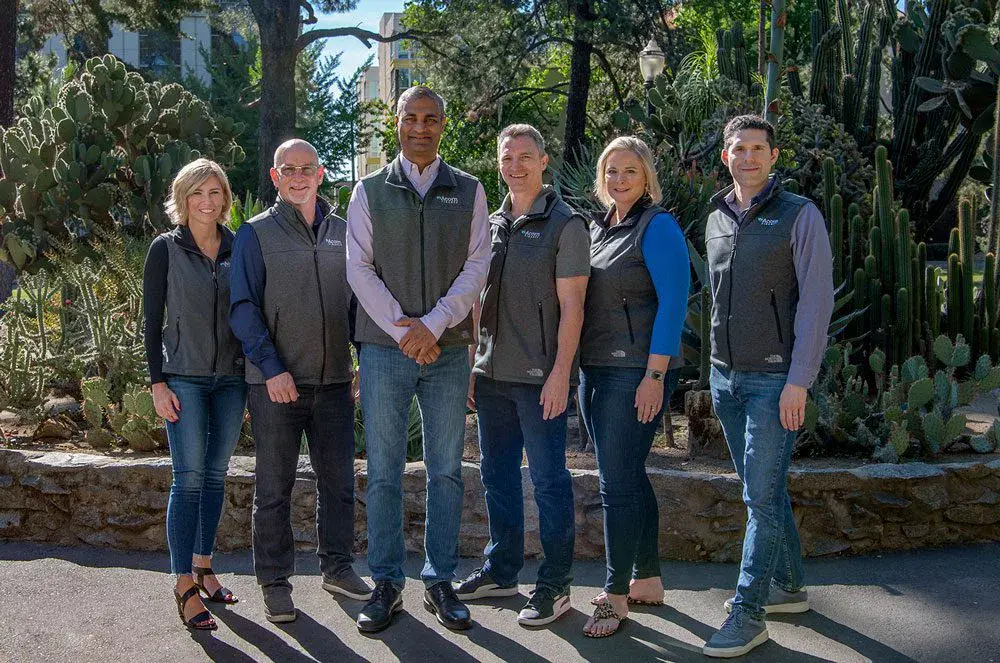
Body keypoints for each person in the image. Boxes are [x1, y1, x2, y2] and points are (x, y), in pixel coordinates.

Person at [346, 85, 490, 634]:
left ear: (443, 125)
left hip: (448, 350)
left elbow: (477, 266)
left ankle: (439, 580)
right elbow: (359, 268)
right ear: (397, 123)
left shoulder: (470, 190)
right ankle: (387, 582)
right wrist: (404, 329)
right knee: (383, 470)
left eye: (431, 119)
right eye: (411, 118)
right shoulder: (368, 191)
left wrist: (434, 325)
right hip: (386, 351)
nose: (421, 127)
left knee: (446, 471)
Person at [701, 115, 833, 657]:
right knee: (766, 487)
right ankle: (790, 587)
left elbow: (817, 303)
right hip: (723, 375)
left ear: (773, 157)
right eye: (739, 148)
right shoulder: (714, 216)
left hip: (775, 379)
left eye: (759, 148)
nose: (749, 157)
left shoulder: (799, 215)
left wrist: (798, 381)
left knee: (758, 497)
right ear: (726, 157)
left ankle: (749, 611)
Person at [229, 139, 371, 624]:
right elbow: (243, 308)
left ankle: (337, 566)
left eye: (307, 168)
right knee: (274, 487)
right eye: (288, 169)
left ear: (321, 173)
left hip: (333, 383)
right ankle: (274, 581)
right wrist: (271, 368)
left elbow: (357, 301)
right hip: (275, 386)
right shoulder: (255, 233)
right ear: (274, 176)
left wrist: (359, 361)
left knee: (339, 484)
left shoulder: (344, 231)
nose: (298, 176)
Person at [454, 124, 590, 627]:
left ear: (544, 160)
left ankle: (555, 584)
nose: (516, 166)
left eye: (525, 157)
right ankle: (502, 569)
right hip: (491, 375)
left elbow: (573, 308)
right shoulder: (491, 225)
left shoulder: (565, 225)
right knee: (497, 476)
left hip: (540, 379)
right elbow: (476, 301)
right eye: (507, 158)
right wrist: (473, 361)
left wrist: (560, 374)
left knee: (551, 481)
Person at [575, 136, 690, 638]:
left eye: (630, 171)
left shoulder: (657, 226)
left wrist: (655, 376)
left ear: (647, 177)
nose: (619, 179)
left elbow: (673, 304)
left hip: (635, 373)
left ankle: (614, 595)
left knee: (616, 484)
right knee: (628, 476)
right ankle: (648, 580)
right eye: (611, 171)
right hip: (594, 369)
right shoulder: (600, 229)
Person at [143, 158, 247, 630]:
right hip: (181, 376)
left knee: (215, 475)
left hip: (230, 379)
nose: (207, 202)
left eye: (215, 193)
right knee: (187, 479)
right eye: (197, 194)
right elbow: (151, 322)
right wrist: (157, 382)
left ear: (225, 199)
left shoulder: (239, 246)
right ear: (182, 200)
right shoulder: (165, 249)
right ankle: (183, 582)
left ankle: (204, 566)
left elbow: (251, 311)